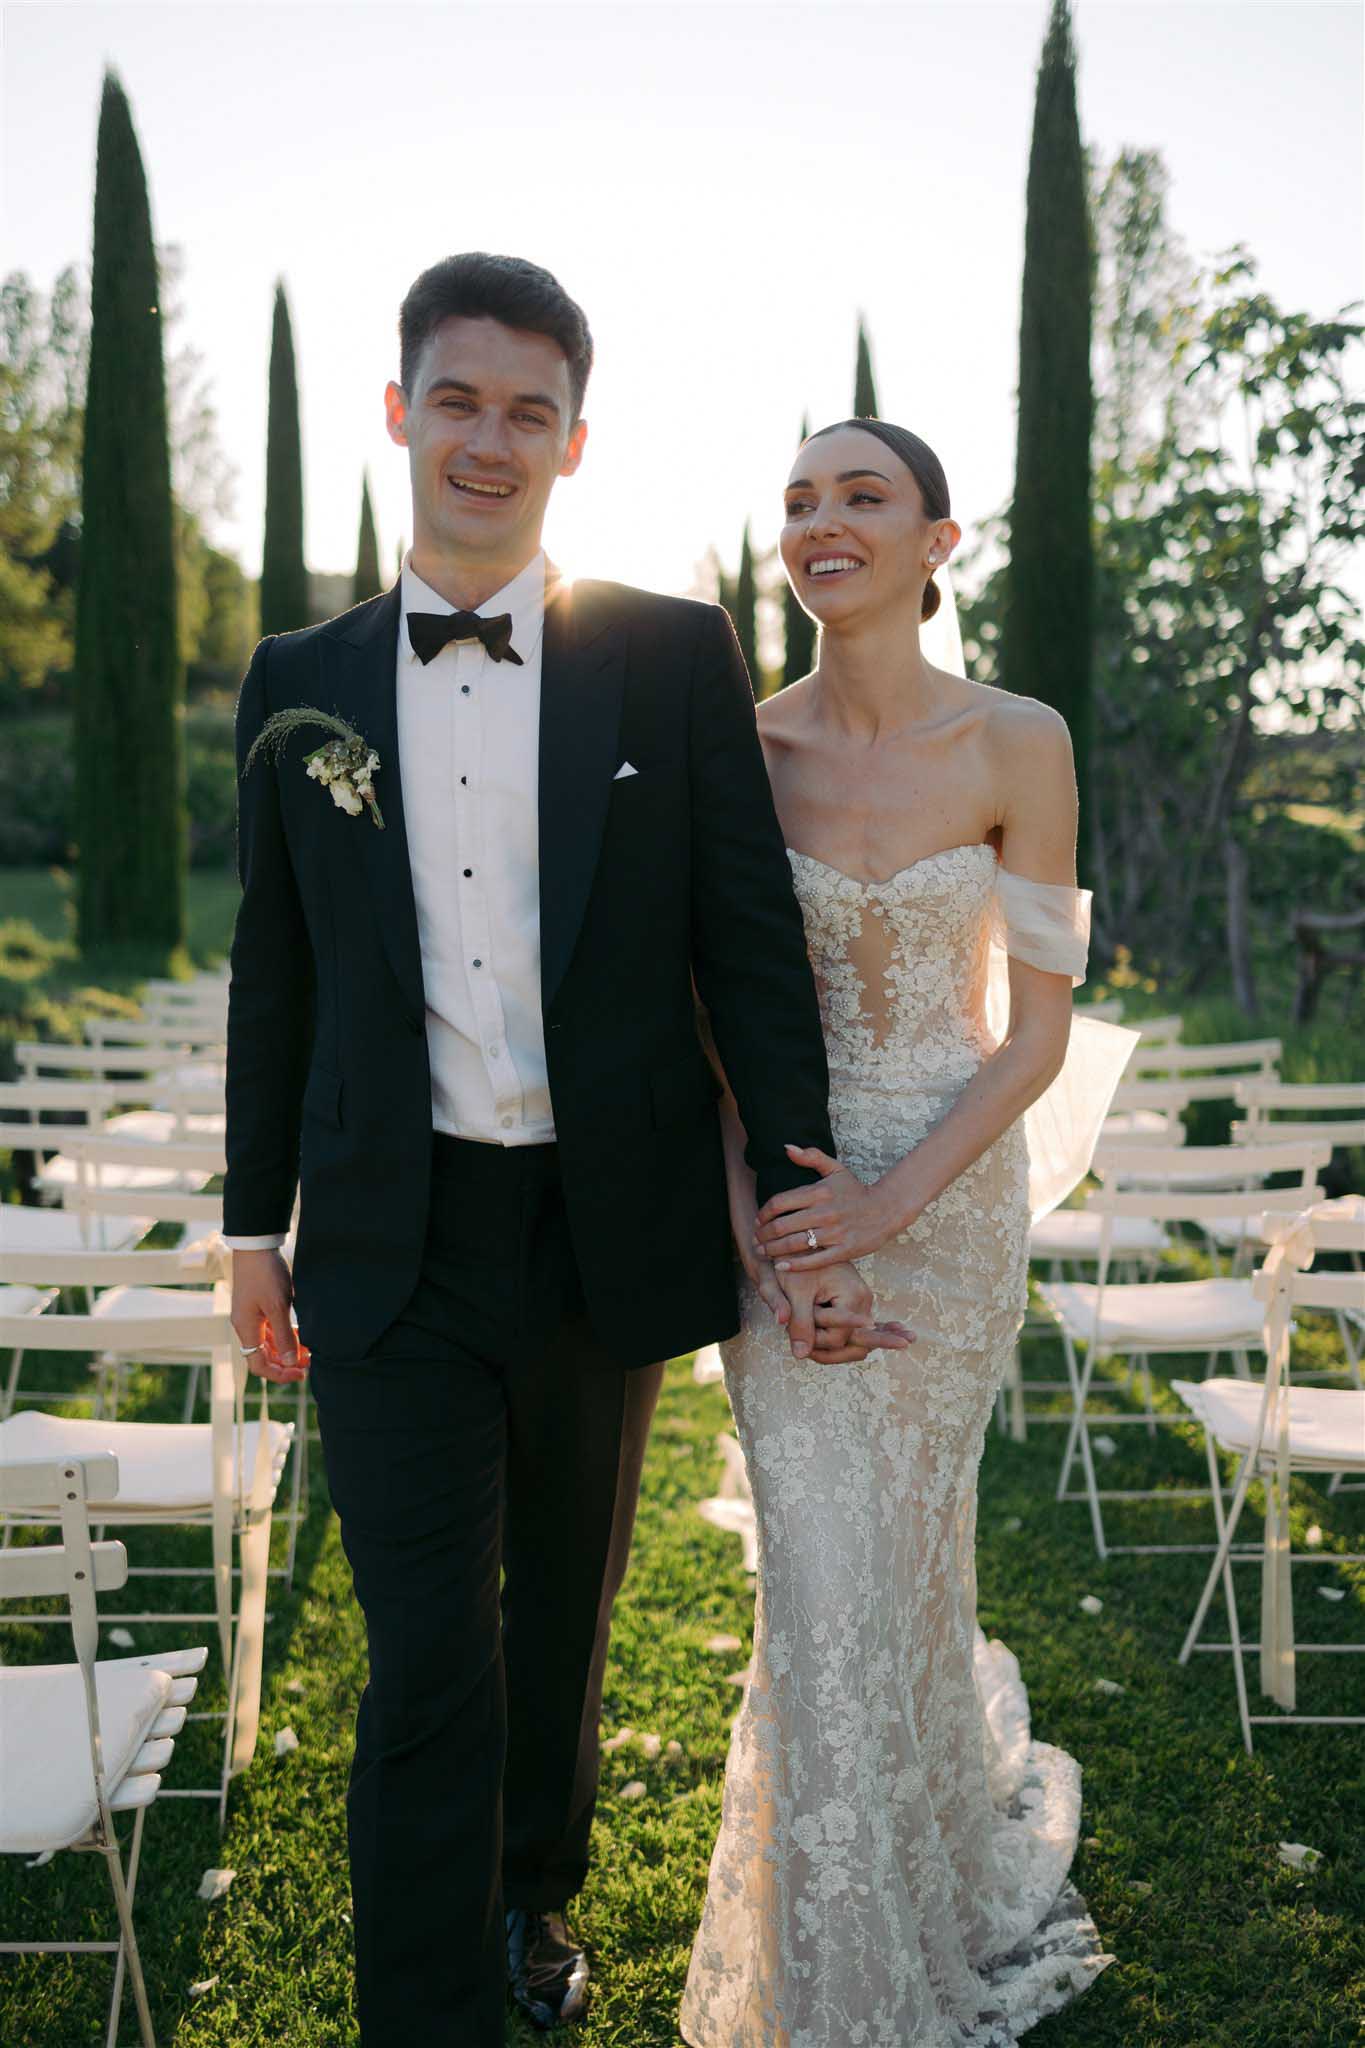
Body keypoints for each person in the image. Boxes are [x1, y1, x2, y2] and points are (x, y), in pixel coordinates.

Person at [222, 255, 906, 2048]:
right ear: (401, 413)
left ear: (575, 442)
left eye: (528, 410)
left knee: (562, 1615)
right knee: (427, 1649)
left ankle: (531, 1892)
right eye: (456, 399)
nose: (487, 439)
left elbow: (743, 942)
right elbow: (272, 968)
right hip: (391, 1232)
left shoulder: (667, 656)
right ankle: (424, 2011)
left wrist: (809, 1182)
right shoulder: (294, 682)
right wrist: (244, 1227)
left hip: (602, 1220)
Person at [681, 419, 1117, 2045]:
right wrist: (771, 1238)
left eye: (861, 497)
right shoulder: (736, 750)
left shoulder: (1023, 744)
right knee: (819, 1582)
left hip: (945, 1207)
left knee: (912, 1564)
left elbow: (1036, 1037)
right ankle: (835, 1981)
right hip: (783, 1221)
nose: (820, 523)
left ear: (939, 542)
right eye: (797, 501)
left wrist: (887, 1203)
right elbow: (706, 1042)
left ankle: (928, 1880)